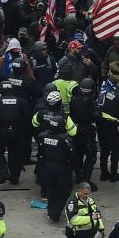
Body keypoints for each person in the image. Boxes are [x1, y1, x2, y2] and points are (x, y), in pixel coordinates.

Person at [36, 92, 77, 222]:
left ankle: (50, 210)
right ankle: (54, 212)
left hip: (47, 166)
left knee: (50, 189)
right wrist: (78, 170)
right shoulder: (64, 139)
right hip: (62, 168)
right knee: (64, 190)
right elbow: (71, 153)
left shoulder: (43, 135)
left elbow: (34, 124)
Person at [0, 79, 30, 185]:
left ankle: (4, 173)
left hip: (2, 132)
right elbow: (28, 117)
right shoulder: (21, 102)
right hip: (18, 133)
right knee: (15, 155)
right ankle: (15, 178)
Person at [96, 77, 119, 183]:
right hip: (111, 127)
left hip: (100, 124)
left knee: (104, 150)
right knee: (116, 150)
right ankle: (113, 174)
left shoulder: (110, 92)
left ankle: (103, 173)